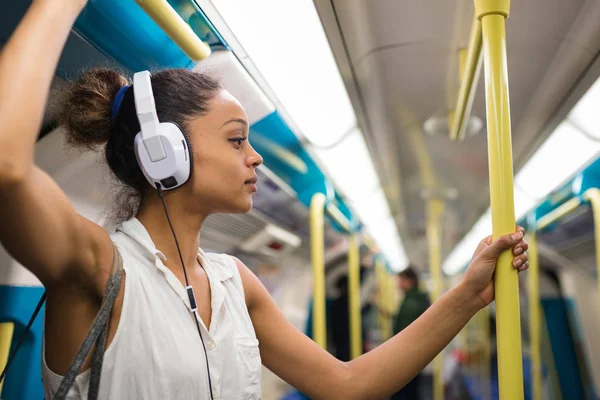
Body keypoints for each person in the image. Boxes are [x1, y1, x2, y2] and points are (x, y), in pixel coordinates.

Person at [0, 1, 530, 399]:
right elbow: (7, 169)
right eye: (236, 139)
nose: (256, 159)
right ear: (166, 152)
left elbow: (347, 386)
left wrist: (467, 294)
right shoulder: (98, 266)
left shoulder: (236, 282)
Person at [390, 267, 431, 400]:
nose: (398, 284)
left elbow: (404, 334)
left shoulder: (411, 304)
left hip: (406, 357)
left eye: (401, 280)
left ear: (410, 281)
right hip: (415, 356)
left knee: (405, 391)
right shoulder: (415, 299)